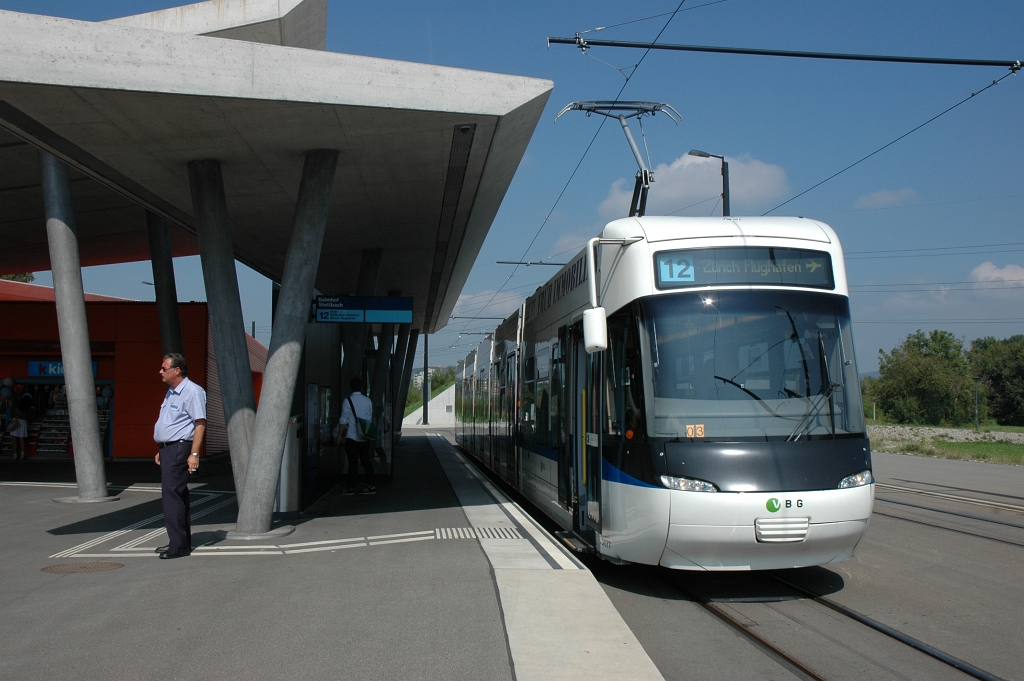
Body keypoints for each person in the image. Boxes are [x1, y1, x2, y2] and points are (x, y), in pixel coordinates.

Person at [153, 353, 207, 560]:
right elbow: (172, 424)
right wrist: (162, 447)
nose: (160, 371)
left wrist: (194, 454)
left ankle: (178, 545)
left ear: (177, 370)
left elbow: (199, 423)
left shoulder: (192, 391)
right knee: (177, 494)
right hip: (169, 449)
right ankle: (180, 541)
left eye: (164, 368)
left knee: (172, 495)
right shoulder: (172, 392)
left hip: (180, 448)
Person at [336, 377, 376, 495]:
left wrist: (339, 436)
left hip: (352, 437)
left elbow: (343, 420)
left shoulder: (347, 401)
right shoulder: (368, 401)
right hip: (364, 437)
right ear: (362, 387)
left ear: (351, 388)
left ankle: (350, 488)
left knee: (352, 464)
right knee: (366, 462)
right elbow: (369, 418)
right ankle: (371, 485)